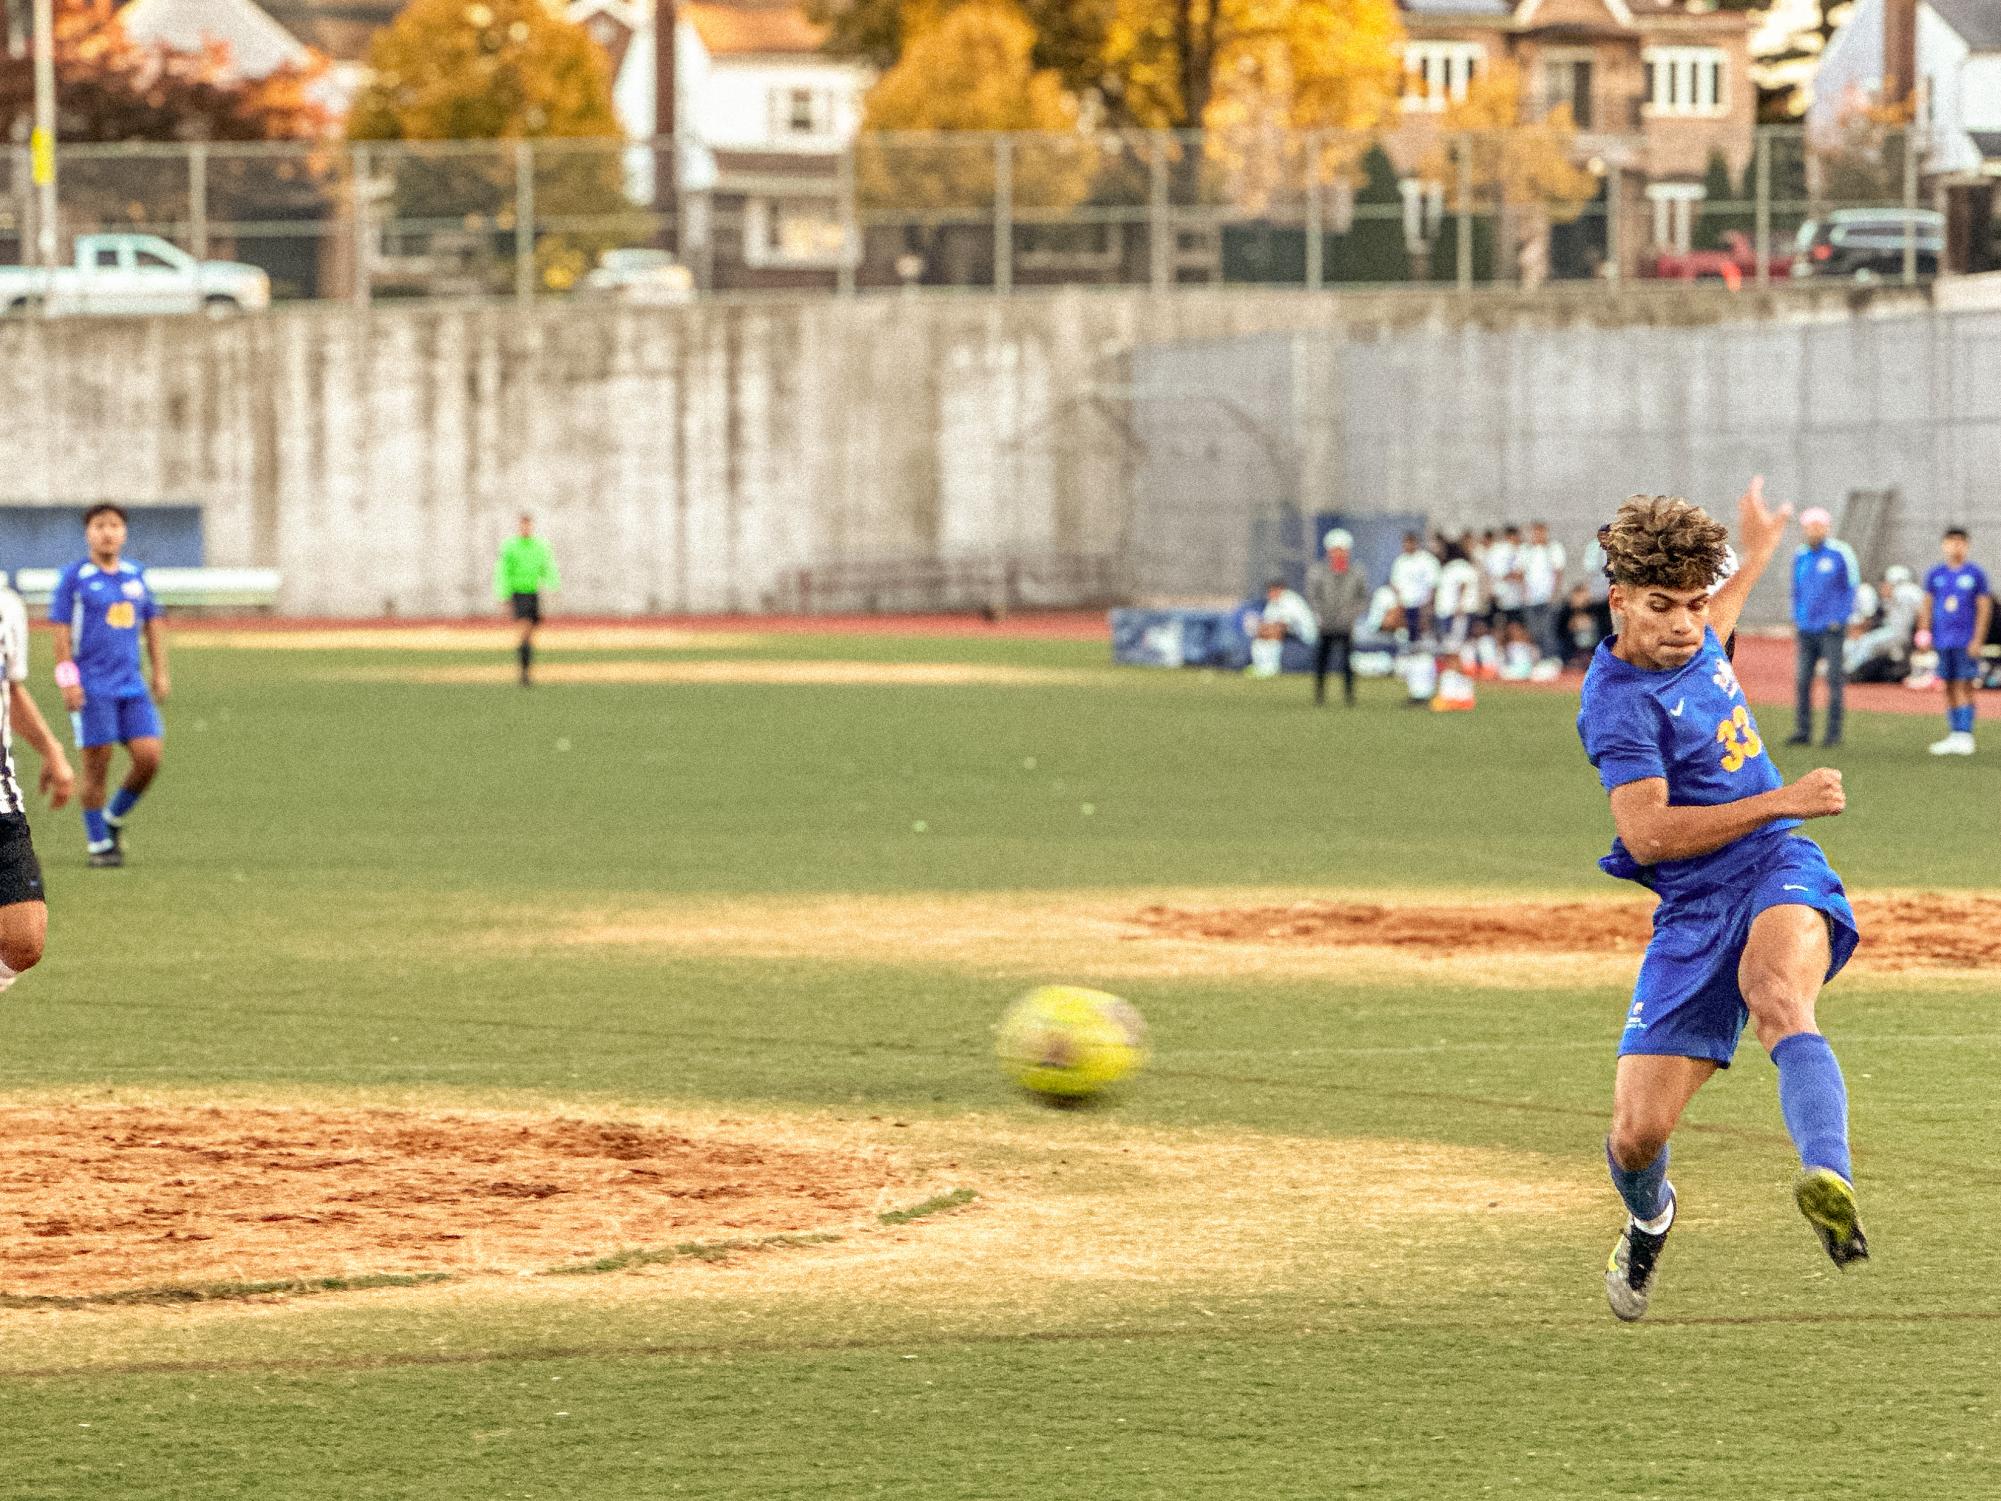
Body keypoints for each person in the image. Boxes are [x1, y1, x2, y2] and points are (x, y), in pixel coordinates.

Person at [1578, 479, 1866, 1324]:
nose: (1683, 624)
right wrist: (1784, 795)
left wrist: (1760, 544)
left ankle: (1829, 1177)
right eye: (1661, 605)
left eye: (1693, 604)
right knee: (1636, 1135)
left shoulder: (1697, 631)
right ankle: (1647, 1215)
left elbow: (1726, 609)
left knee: (1776, 992)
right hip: (1690, 903)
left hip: (1778, 866)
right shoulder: (1615, 705)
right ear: (1618, 600)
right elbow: (1647, 838)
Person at [49, 504, 169, 869]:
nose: (108, 532)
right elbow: (60, 635)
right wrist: (68, 682)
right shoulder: (75, 578)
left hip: (131, 686)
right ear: (88, 532)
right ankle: (99, 844)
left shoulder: (135, 575)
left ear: (124, 532)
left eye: (114, 525)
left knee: (149, 758)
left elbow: (153, 623)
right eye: (100, 525)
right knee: (97, 764)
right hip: (93, 687)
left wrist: (160, 672)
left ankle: (112, 819)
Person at [0, 573, 73, 993]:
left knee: (25, 941)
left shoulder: (8, 606)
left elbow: (11, 689)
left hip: (1, 797)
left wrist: (53, 751)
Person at [1787, 506, 1860, 749]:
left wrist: (1841, 617)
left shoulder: (1840, 553)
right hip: (1806, 627)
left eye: (1819, 526)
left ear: (1826, 528)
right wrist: (1797, 617)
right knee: (1802, 679)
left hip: (1831, 628)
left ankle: (1833, 732)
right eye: (1810, 526)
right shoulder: (1800, 555)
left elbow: (1852, 586)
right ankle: (1803, 730)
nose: (1814, 530)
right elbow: (1796, 590)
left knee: (1833, 679)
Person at [1918, 528, 1991, 756]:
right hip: (1943, 639)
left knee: (1964, 684)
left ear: (1966, 545)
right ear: (1944, 545)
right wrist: (1924, 631)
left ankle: (1965, 733)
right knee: (1948, 684)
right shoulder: (1936, 574)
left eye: (1960, 542)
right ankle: (1954, 732)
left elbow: (1984, 608)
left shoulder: (1975, 574)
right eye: (1951, 542)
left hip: (1965, 639)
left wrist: (1978, 639)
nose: (1955, 546)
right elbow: (1927, 605)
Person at [495, 513, 561, 686]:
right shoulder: (510, 546)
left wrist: (553, 585)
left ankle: (526, 668)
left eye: (528, 525)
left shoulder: (540, 546)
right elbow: (502, 570)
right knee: (523, 631)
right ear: (519, 526)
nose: (526, 528)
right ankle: (523, 673)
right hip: (519, 592)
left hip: (533, 593)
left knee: (530, 634)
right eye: (523, 525)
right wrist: (503, 593)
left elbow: (547, 566)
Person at [1306, 529, 1368, 706]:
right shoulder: (1318, 571)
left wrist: (1351, 615)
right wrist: (1321, 614)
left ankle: (1349, 696)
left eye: (1342, 550)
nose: (1339, 554)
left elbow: (1362, 597)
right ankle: (1320, 695)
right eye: (1336, 550)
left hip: (1346, 624)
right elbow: (1313, 596)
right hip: (1325, 623)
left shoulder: (1356, 572)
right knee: (1322, 659)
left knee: (1347, 661)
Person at [1844, 565, 1922, 681]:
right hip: (1898, 633)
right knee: (1859, 643)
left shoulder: (1906, 592)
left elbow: (1902, 628)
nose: (1885, 586)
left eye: (1887, 582)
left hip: (1901, 634)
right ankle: (1851, 668)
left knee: (1868, 642)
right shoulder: (1905, 594)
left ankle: (1848, 670)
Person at [1247, 578, 1317, 678]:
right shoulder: (1272, 603)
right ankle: (1260, 667)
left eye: (1272, 590)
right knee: (1261, 634)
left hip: (1305, 639)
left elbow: (1282, 626)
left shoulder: (1290, 600)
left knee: (1275, 632)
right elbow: (1266, 623)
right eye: (1269, 591)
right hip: (1290, 636)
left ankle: (1271, 668)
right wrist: (1261, 630)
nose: (1270, 594)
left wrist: (1267, 630)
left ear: (1280, 589)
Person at [1519, 521, 1567, 663]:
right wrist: (1524, 592)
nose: (1538, 535)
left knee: (1548, 630)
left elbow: (1558, 572)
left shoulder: (1553, 549)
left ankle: (1551, 659)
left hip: (1547, 596)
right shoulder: (1526, 550)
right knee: (1534, 631)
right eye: (1535, 532)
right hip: (1530, 598)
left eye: (1540, 532)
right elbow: (1521, 573)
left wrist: (1554, 593)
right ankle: (1538, 659)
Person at [1389, 531, 1440, 642]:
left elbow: (1433, 583)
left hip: (1423, 604)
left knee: (1424, 633)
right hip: (1405, 604)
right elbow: (1394, 582)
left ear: (1415, 543)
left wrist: (1429, 603)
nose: (1407, 546)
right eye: (1405, 543)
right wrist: (1399, 601)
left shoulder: (1427, 560)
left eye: (1410, 543)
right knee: (1406, 634)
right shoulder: (1400, 561)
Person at [1433, 544, 1481, 649]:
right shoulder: (1451, 567)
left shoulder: (1459, 567)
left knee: (1457, 643)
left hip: (1457, 611)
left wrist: (1459, 605)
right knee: (1450, 643)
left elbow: (1463, 585)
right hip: (1450, 611)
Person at [1485, 524, 1525, 632]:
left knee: (1496, 629)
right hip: (1511, 597)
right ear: (1513, 536)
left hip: (1496, 595)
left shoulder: (1493, 550)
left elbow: (1489, 573)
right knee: (1513, 628)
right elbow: (1516, 573)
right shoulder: (1513, 551)